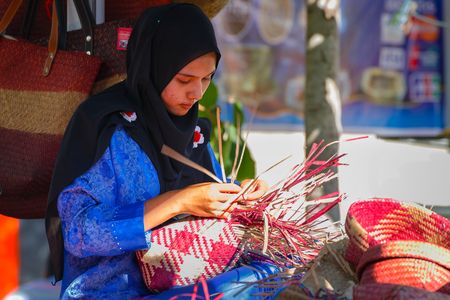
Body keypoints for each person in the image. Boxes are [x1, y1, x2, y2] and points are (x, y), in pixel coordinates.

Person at [45, 3, 275, 300]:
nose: (197, 93)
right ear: (152, 66)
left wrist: (240, 198)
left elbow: (209, 207)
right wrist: (177, 202)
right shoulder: (106, 127)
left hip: (185, 280)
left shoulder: (193, 134)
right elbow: (78, 232)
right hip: (110, 291)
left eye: (207, 79)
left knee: (270, 275)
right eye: (185, 80)